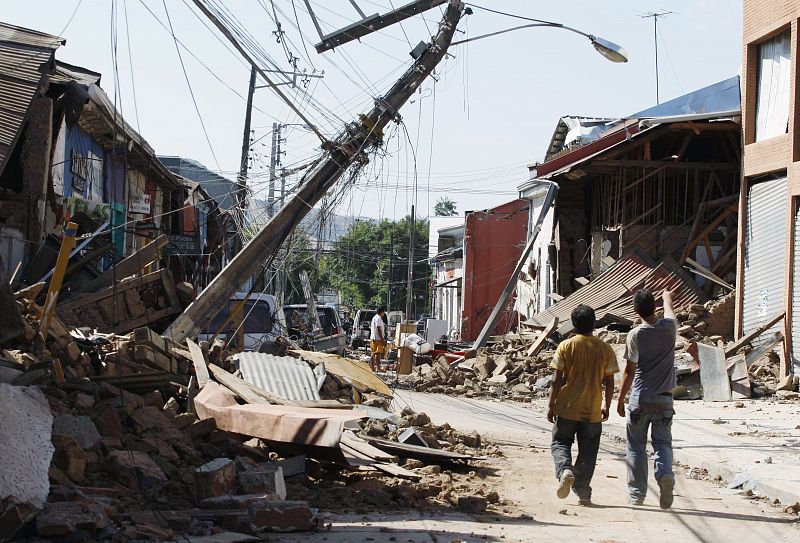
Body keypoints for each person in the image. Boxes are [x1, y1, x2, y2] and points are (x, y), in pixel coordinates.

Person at [548, 304, 618, 506]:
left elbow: (556, 380)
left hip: (567, 407)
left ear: (573, 324)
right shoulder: (605, 348)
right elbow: (610, 382)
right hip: (592, 410)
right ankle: (583, 492)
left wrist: (551, 405)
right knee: (588, 451)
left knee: (561, 442)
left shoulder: (566, 346)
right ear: (593, 323)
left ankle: (564, 470)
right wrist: (607, 405)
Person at [616, 289, 677, 509]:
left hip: (640, 399)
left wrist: (620, 398)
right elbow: (669, 308)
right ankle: (665, 474)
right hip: (665, 399)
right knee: (662, 443)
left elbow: (630, 370)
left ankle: (637, 495)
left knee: (636, 448)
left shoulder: (635, 335)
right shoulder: (670, 328)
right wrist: (666, 296)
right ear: (655, 307)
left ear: (635, 310)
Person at [370, 306, 387, 372]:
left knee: (378, 353)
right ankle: (373, 367)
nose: (384, 313)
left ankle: (378, 367)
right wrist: (382, 339)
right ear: (382, 312)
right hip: (376, 338)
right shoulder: (378, 318)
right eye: (384, 312)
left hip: (377, 338)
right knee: (374, 353)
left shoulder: (376, 317)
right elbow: (378, 329)